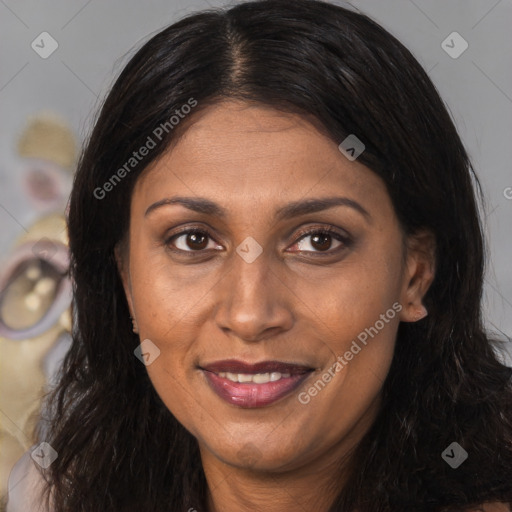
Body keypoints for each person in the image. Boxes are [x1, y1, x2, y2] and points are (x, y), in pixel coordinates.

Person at [7, 0, 512, 511]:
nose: (250, 315)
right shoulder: (55, 497)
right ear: (126, 277)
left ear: (415, 273)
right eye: (193, 240)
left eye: (319, 240)